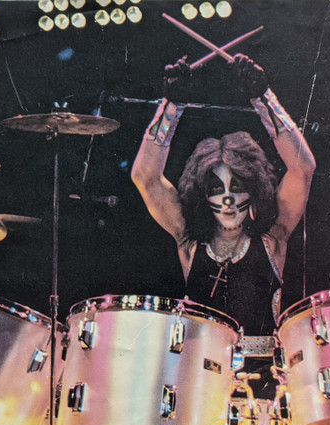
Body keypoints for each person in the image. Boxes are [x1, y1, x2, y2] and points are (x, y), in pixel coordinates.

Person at [131, 54, 316, 336]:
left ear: (254, 190)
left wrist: (263, 97)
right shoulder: (190, 242)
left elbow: (302, 169)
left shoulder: (272, 239)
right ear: (203, 195)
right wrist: (171, 106)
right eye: (217, 189)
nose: (227, 199)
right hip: (201, 363)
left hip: (263, 362)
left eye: (237, 186)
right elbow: (145, 178)